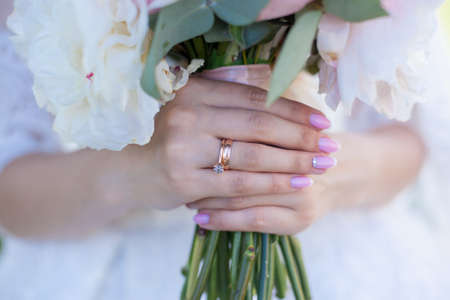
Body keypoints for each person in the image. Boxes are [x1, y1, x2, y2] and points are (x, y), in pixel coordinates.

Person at [1, 1, 450, 299]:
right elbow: (11, 185)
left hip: (350, 262)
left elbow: (408, 138)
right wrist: (146, 168)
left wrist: (317, 171)